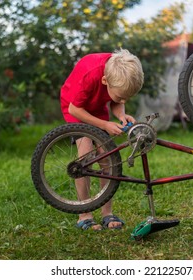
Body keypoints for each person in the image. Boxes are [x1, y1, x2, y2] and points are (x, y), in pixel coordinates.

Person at [60, 49, 144, 231]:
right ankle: (84, 214)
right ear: (105, 81)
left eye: (127, 98)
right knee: (86, 158)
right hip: (75, 107)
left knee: (107, 157)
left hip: (96, 107)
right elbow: (75, 109)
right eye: (122, 96)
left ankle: (107, 213)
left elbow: (116, 100)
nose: (124, 99)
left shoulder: (117, 74)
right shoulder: (91, 74)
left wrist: (121, 115)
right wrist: (105, 125)